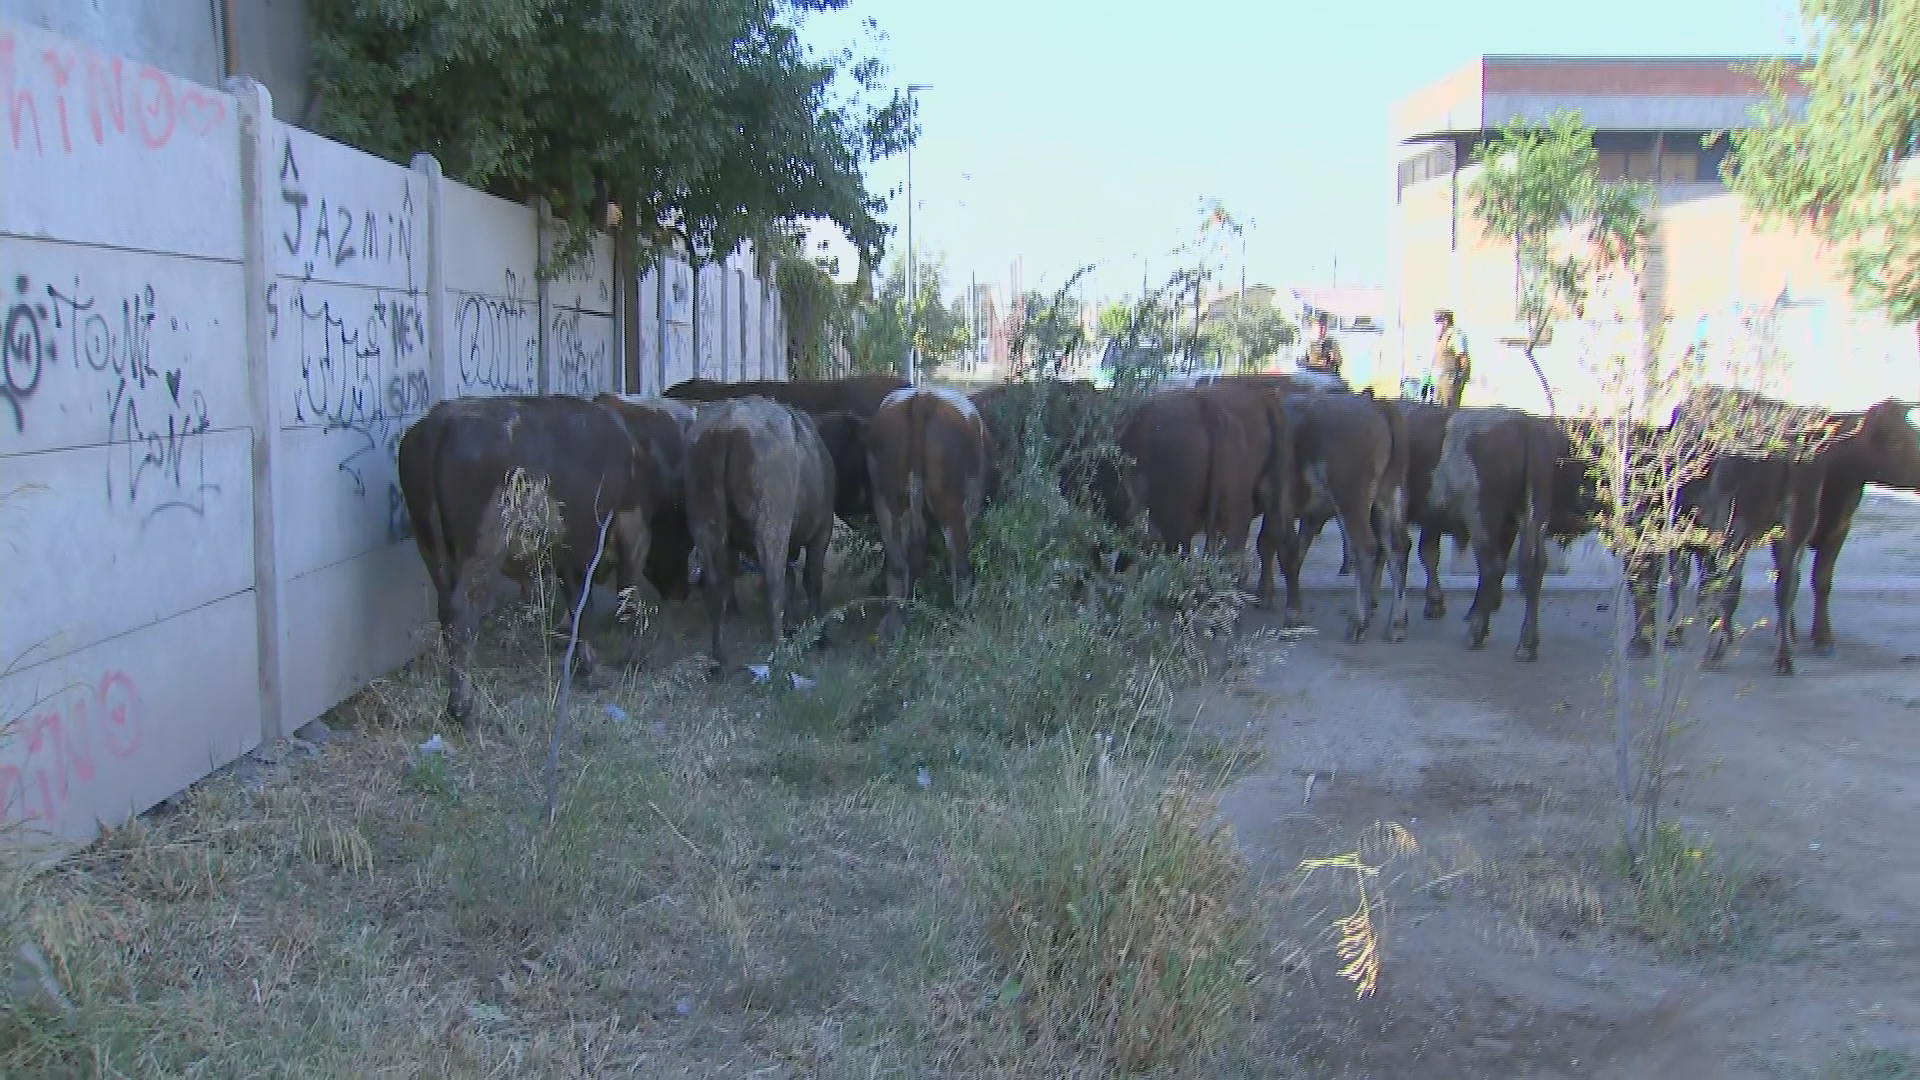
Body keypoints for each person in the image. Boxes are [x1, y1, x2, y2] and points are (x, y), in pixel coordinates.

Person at [1431, 309, 1470, 408]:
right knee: (1437, 408)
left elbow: (1463, 357)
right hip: (1438, 378)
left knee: (1449, 407)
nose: (1437, 325)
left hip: (1450, 378)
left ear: (1446, 321)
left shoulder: (1455, 335)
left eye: (1438, 322)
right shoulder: (1440, 336)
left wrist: (1460, 378)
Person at [1300, 312, 1344, 378]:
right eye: (1320, 327)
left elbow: (1339, 362)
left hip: (1329, 378)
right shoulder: (1307, 343)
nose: (1323, 330)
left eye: (1325, 327)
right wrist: (1318, 364)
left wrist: (1333, 359)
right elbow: (1301, 364)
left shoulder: (1331, 342)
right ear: (1313, 327)